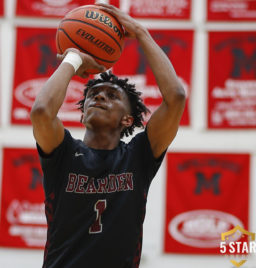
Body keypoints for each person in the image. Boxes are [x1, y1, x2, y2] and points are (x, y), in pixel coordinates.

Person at [30, 3, 186, 268]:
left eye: (112, 96)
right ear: (82, 115)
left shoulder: (139, 156)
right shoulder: (64, 153)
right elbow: (42, 111)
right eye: (92, 95)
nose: (99, 96)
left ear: (127, 119)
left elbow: (177, 98)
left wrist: (140, 32)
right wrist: (73, 58)